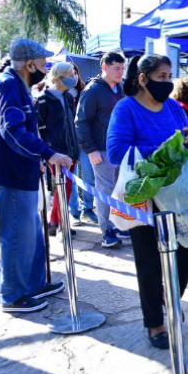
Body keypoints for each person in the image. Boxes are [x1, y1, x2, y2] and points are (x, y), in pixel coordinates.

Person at [106, 54, 188, 349]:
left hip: (178, 193)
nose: (168, 82)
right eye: (162, 76)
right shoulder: (126, 109)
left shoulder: (175, 107)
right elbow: (115, 151)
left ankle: (169, 298)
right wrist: (162, 149)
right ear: (143, 78)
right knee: (148, 261)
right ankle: (155, 323)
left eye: (170, 75)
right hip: (144, 194)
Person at [0, 38, 70, 313]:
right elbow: (12, 130)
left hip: (22, 171)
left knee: (30, 233)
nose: (46, 67)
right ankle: (13, 295)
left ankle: (33, 283)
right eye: (43, 63)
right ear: (29, 64)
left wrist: (37, 157)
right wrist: (48, 154)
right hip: (13, 173)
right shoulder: (8, 85)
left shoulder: (12, 84)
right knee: (17, 235)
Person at [75, 51, 126, 248]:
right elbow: (81, 122)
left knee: (118, 190)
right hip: (101, 152)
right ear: (105, 67)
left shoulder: (118, 88)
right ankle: (107, 232)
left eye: (122, 68)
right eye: (117, 68)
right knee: (104, 191)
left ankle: (117, 225)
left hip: (119, 150)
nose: (121, 72)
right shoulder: (92, 91)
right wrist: (90, 150)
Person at [35, 62, 81, 236]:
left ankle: (55, 222)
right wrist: (46, 153)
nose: (74, 77)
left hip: (71, 150)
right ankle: (58, 222)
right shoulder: (43, 100)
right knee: (64, 187)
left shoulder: (68, 97)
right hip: (56, 153)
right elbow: (37, 128)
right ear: (60, 77)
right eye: (70, 74)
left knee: (66, 188)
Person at [67, 63, 97, 226]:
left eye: (74, 73)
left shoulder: (85, 92)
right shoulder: (57, 95)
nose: (72, 77)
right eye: (68, 74)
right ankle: (74, 212)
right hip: (67, 144)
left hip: (85, 142)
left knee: (89, 177)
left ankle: (88, 208)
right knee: (71, 178)